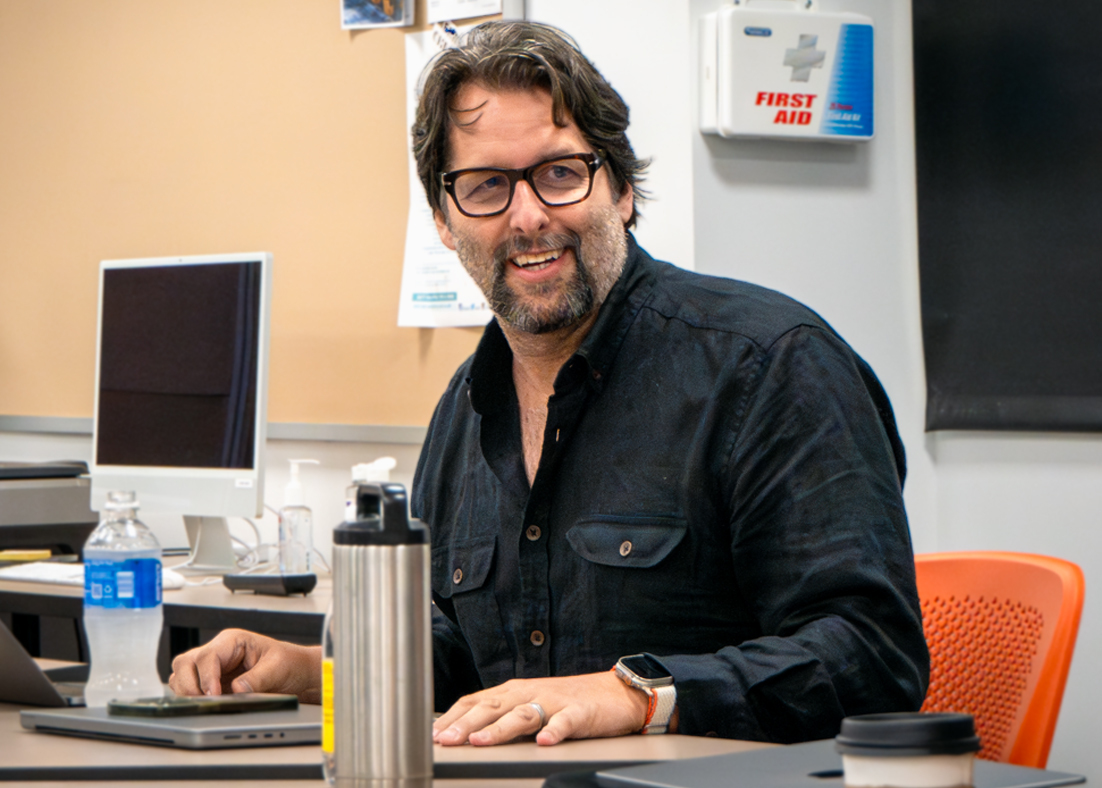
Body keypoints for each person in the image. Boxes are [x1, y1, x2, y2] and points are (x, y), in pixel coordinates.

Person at [169, 20, 928, 747]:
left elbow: (871, 657)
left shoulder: (770, 367)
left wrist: (637, 695)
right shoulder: (465, 408)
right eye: (487, 186)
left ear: (622, 191)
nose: (527, 217)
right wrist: (315, 673)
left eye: (560, 174)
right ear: (443, 219)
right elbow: (474, 662)